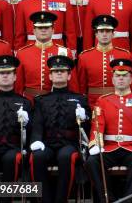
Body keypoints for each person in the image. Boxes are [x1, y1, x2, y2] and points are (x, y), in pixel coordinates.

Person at [85, 58, 132, 203]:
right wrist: (95, 144)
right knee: (92, 161)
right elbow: (98, 124)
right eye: (117, 75)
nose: (121, 78)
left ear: (131, 78)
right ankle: (108, 199)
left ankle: (128, 199)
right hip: (109, 147)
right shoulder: (103, 101)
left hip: (131, 147)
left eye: (125, 75)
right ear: (113, 79)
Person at [29, 55, 91, 203]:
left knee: (65, 157)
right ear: (50, 75)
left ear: (69, 76)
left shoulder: (80, 99)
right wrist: (37, 141)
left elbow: (87, 126)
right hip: (48, 142)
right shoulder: (41, 100)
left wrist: (84, 118)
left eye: (63, 71)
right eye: (55, 71)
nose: (59, 73)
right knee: (37, 156)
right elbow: (37, 123)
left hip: (69, 143)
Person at [0, 55, 32, 182]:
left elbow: (31, 129)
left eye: (8, 73)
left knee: (10, 159)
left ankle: (6, 197)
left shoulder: (24, 102)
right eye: (1, 73)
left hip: (14, 147)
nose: (5, 76)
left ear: (15, 77)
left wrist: (26, 123)